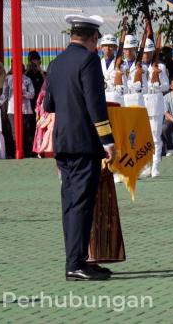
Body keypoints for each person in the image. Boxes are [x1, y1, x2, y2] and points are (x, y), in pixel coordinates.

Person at [43, 14, 117, 282]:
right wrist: (107, 141)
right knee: (82, 205)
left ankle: (78, 260)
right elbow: (95, 105)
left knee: (71, 203)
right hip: (85, 143)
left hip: (63, 143)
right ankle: (75, 263)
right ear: (93, 38)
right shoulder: (89, 61)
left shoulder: (56, 63)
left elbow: (48, 104)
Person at [141, 38, 169, 177]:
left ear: (153, 52)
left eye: (149, 52)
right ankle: (146, 166)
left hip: (156, 103)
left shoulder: (161, 67)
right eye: (144, 52)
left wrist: (157, 84)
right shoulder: (138, 66)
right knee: (144, 137)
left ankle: (155, 164)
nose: (146, 55)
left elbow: (166, 86)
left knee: (155, 137)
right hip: (142, 104)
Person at [0, 66, 36, 158]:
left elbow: (32, 94)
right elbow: (4, 94)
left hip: (25, 109)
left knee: (26, 131)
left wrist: (23, 93)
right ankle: (13, 152)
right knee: (13, 131)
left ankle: (27, 152)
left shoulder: (27, 79)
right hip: (12, 109)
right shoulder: (8, 79)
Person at [33, 80, 55, 158]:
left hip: (51, 112)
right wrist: (37, 115)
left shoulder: (55, 91)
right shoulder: (43, 92)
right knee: (40, 129)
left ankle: (49, 150)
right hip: (43, 113)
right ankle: (40, 150)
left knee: (50, 130)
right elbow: (38, 103)